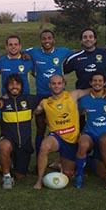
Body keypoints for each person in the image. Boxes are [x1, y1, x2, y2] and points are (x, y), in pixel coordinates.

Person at [32, 75, 94, 190]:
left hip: (72, 140)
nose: (56, 86)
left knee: (69, 173)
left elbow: (92, 89)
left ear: (64, 84)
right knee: (44, 146)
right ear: (49, 85)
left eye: (59, 83)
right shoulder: (44, 103)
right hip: (56, 137)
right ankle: (39, 180)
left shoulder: (73, 95)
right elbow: (33, 111)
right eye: (54, 83)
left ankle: (60, 162)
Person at [24, 29, 73, 157]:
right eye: (44, 38)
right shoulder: (33, 52)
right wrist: (25, 55)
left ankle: (64, 158)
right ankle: (39, 158)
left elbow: (79, 52)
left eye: (49, 38)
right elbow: (17, 51)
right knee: (40, 130)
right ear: (41, 40)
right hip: (41, 96)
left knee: (62, 128)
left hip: (58, 97)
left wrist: (103, 50)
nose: (47, 41)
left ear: (53, 40)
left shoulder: (63, 52)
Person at [74, 72, 106, 189]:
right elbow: (77, 115)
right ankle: (79, 175)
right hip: (89, 134)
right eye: (94, 81)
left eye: (100, 81)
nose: (97, 83)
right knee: (83, 144)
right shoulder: (84, 100)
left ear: (104, 83)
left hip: (105, 137)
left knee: (102, 174)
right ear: (90, 83)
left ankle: (89, 160)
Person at [0, 74, 40, 189]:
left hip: (24, 143)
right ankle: (6, 176)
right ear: (7, 86)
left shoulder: (29, 99)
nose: (14, 86)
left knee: (20, 176)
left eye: (17, 84)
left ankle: (9, 163)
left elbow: (49, 97)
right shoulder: (1, 102)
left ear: (21, 86)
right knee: (4, 145)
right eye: (11, 84)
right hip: (9, 140)